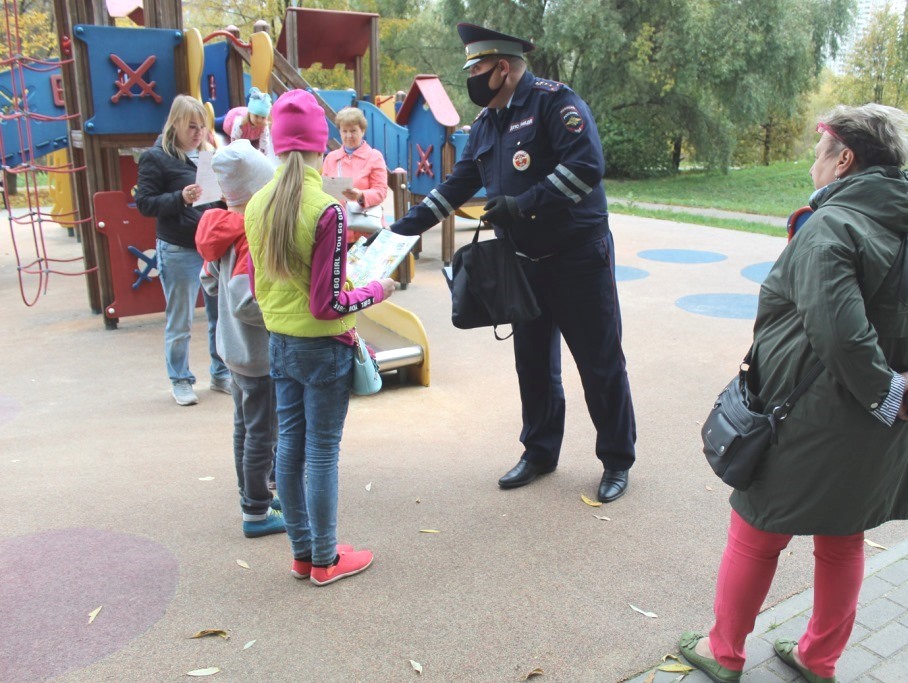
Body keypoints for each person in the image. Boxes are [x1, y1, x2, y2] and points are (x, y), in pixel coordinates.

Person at [679, 103, 908, 683]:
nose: (814, 161)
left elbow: (838, 331)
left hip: (809, 412)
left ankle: (724, 652)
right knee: (843, 534)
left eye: (819, 150)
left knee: (756, 528)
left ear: (844, 159)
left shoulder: (833, 225)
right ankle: (817, 659)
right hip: (874, 422)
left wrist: (887, 393)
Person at [389, 23, 636, 502]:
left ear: (503, 68)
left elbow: (587, 168)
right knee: (534, 365)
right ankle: (540, 452)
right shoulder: (485, 125)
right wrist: (401, 231)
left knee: (599, 363)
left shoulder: (554, 103)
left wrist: (524, 204)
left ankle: (616, 460)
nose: (473, 78)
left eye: (477, 68)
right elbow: (457, 185)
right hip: (523, 262)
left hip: (578, 258)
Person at [244, 89, 396, 585]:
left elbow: (258, 286)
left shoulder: (257, 205)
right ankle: (327, 559)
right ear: (319, 145)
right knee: (323, 451)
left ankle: (303, 552)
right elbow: (328, 303)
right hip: (325, 346)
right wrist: (376, 289)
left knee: (290, 446)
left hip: (281, 343)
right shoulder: (326, 209)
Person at [195, 139, 284, 539]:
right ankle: (256, 510)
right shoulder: (249, 234)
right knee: (261, 434)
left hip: (232, 350)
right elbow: (248, 302)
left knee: (245, 429)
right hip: (257, 353)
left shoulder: (220, 228)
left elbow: (209, 282)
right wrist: (279, 319)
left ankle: (253, 492)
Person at [136, 95, 230, 406]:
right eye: (191, 126)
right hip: (178, 248)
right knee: (181, 319)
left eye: (202, 126)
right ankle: (180, 379)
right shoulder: (156, 157)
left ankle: (221, 372)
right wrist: (181, 197)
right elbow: (145, 204)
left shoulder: (210, 155)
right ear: (175, 124)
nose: (198, 132)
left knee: (219, 316)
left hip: (212, 247)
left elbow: (218, 200)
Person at [321, 106, 389, 240]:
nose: (348, 136)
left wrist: (361, 195)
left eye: (353, 131)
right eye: (344, 131)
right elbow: (324, 190)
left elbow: (381, 191)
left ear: (362, 131)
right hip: (338, 231)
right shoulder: (331, 158)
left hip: (365, 230)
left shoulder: (374, 156)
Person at [222, 87, 274, 159]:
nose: (259, 120)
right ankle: (214, 119)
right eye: (256, 116)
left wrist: (263, 157)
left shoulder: (263, 125)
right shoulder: (240, 122)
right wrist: (238, 154)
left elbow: (265, 141)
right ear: (250, 113)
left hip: (250, 135)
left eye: (263, 117)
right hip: (231, 120)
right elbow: (234, 139)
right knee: (220, 123)